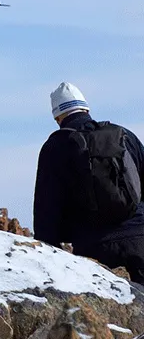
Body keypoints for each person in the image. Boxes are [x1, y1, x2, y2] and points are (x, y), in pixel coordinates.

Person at [33, 83, 144, 283]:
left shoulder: (55, 147)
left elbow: (46, 211)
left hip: (95, 249)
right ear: (86, 109)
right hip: (140, 237)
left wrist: (52, 261)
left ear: (57, 117)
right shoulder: (125, 136)